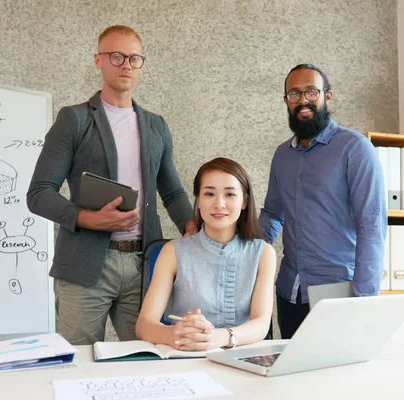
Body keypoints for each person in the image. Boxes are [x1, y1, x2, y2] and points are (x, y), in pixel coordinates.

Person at [26, 25, 196, 345]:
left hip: (144, 266)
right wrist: (89, 218)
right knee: (78, 362)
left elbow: (172, 191)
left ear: (142, 65)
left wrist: (191, 226)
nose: (125, 65)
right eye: (116, 56)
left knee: (148, 359)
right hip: (84, 266)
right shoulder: (74, 119)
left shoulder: (156, 125)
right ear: (98, 61)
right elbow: (39, 193)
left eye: (134, 59)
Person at [258, 64, 387, 339]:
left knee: (335, 380)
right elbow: (272, 214)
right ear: (286, 102)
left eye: (311, 92)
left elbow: (371, 227)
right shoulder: (282, 155)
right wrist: (243, 253)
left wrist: (364, 301)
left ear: (327, 97)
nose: (303, 100)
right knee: (293, 378)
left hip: (337, 295)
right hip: (289, 292)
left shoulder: (354, 148)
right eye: (294, 94)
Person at [136, 157, 276, 350]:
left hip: (243, 359)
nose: (219, 204)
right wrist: (176, 333)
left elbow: (261, 324)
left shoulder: (263, 253)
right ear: (198, 200)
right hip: (185, 357)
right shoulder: (173, 252)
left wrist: (222, 337)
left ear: (244, 202)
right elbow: (144, 325)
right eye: (209, 194)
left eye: (230, 194)